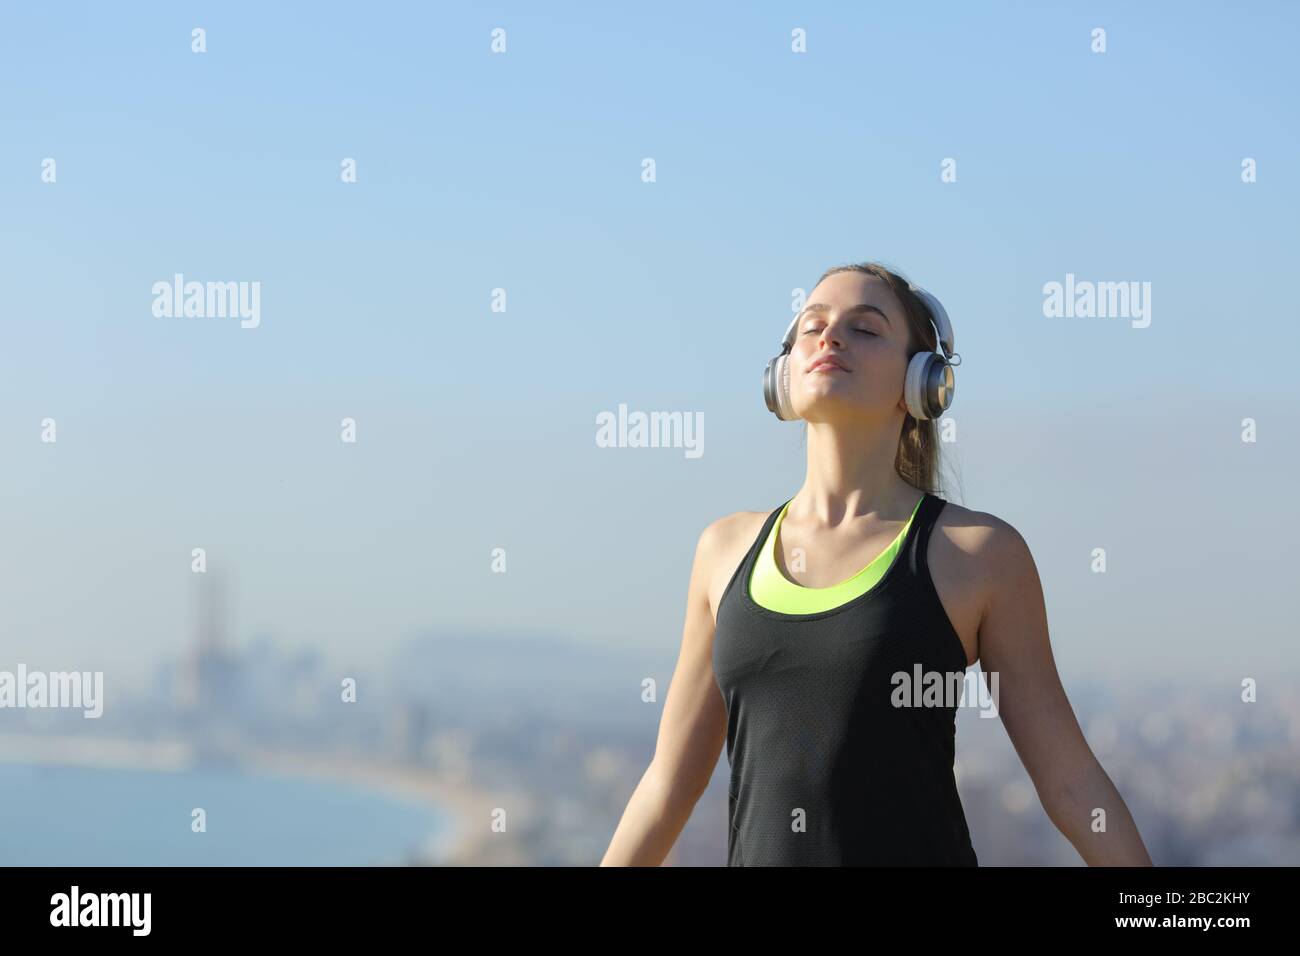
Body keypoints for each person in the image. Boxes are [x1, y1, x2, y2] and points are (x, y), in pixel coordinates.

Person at [600, 261, 1153, 866]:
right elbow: (669, 784)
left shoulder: (978, 555)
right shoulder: (723, 551)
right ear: (783, 373)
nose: (830, 337)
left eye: (864, 329)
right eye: (812, 326)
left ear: (921, 382)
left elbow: (1071, 783)